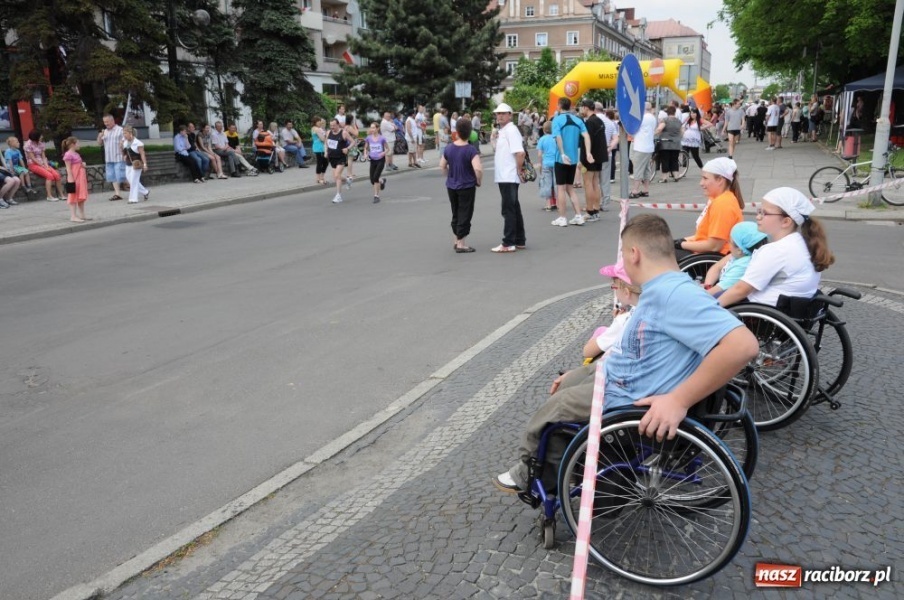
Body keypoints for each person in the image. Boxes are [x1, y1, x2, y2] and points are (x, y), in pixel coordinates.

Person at [493, 214, 760, 492]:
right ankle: (553, 460)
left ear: (634, 254)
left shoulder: (671, 295)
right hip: (627, 376)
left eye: (622, 253)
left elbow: (743, 346)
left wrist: (679, 400)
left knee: (555, 409)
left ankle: (530, 470)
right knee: (568, 383)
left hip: (628, 395)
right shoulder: (668, 287)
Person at [718, 188, 834, 307]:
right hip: (791, 307)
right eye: (759, 211)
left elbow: (741, 290)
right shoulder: (801, 242)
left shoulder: (776, 250)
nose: (758, 217)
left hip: (761, 312)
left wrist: (711, 309)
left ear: (786, 222)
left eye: (765, 213)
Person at [675, 157, 744, 258]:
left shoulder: (723, 204)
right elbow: (704, 236)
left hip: (713, 256)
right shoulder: (719, 199)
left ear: (720, 180)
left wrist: (680, 244)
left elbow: (714, 246)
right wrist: (682, 240)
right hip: (706, 252)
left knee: (658, 255)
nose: (701, 183)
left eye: (705, 178)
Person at [440, 118, 482, 253]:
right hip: (467, 185)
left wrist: (449, 175)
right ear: (470, 133)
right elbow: (478, 169)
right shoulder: (471, 150)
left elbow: (442, 165)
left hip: (452, 185)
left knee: (456, 211)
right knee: (465, 212)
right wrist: (478, 181)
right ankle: (461, 244)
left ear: (456, 132)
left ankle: (455, 240)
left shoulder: (449, 148)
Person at [550, 97, 593, 227]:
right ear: (570, 106)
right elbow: (586, 136)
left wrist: (562, 153)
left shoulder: (557, 120)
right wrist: (588, 152)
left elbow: (558, 137)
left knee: (561, 188)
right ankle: (578, 216)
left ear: (559, 106)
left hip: (561, 159)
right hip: (574, 159)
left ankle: (562, 217)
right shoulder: (578, 120)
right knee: (570, 188)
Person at [489, 103, 526, 253]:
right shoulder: (503, 130)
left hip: (509, 175)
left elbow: (520, 153)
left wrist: (518, 169)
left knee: (508, 209)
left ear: (510, 115)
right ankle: (519, 239)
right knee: (513, 207)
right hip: (505, 175)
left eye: (503, 113)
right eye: (498, 114)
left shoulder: (511, 130)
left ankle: (508, 242)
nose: (500, 116)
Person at [702, 222, 768, 296]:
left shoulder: (742, 266)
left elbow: (716, 291)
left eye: (730, 241)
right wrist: (707, 286)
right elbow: (716, 268)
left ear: (739, 250)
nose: (727, 242)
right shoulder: (741, 254)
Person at [579, 99, 606, 221]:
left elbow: (587, 142)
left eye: (581, 108)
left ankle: (590, 211)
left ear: (585, 108)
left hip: (590, 157)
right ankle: (596, 209)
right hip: (599, 156)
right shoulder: (599, 120)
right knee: (596, 183)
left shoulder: (589, 123)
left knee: (588, 183)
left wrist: (583, 159)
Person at [24, 130, 66, 201]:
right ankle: (49, 196)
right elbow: (33, 158)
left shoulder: (41, 144)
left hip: (43, 163)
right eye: (40, 136)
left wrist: (46, 165)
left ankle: (61, 195)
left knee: (57, 175)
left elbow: (43, 156)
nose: (42, 137)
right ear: (36, 137)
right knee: (49, 176)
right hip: (33, 164)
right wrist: (43, 167)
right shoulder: (28, 145)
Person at [628, 102, 657, 198]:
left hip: (640, 146)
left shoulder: (642, 118)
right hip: (648, 146)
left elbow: (632, 129)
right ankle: (645, 190)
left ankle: (635, 190)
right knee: (646, 169)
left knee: (638, 169)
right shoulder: (652, 118)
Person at [96, 114, 127, 201]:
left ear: (112, 121)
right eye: (104, 122)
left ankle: (138, 189)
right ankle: (117, 194)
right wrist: (99, 136)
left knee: (121, 176)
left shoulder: (120, 130)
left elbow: (126, 141)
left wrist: (124, 152)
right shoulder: (105, 131)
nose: (106, 123)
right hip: (109, 158)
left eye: (107, 122)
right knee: (112, 176)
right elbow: (99, 143)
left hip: (118, 157)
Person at [326, 118, 354, 204]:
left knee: (337, 175)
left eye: (334, 125)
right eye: (331, 125)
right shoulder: (328, 132)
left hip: (341, 157)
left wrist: (347, 148)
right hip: (332, 157)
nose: (332, 127)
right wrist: (326, 151)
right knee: (336, 177)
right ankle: (347, 180)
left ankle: (338, 196)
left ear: (338, 124)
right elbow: (326, 142)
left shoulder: (344, 133)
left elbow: (353, 142)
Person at [61, 137, 89, 222]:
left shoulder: (76, 154)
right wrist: (71, 179)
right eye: (78, 143)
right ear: (73, 144)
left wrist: (82, 164)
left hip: (80, 178)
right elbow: (68, 168)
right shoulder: (68, 154)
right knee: (73, 196)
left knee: (81, 196)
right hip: (75, 178)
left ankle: (82, 215)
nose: (79, 145)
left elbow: (78, 164)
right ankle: (73, 216)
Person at [655, 105, 684, 182]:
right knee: (674, 160)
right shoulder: (679, 121)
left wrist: (654, 133)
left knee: (665, 160)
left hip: (665, 143)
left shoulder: (665, 120)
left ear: (667, 112)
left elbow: (659, 129)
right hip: (676, 144)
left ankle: (665, 178)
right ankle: (676, 176)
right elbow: (682, 132)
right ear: (674, 112)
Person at [121, 126, 150, 204]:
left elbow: (142, 154)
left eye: (125, 133)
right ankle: (145, 192)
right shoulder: (125, 142)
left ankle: (133, 199)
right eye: (123, 133)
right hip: (128, 164)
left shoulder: (138, 143)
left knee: (133, 181)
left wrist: (145, 164)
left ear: (130, 133)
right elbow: (124, 152)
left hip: (136, 164)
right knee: (131, 181)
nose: (124, 135)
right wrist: (124, 154)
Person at [598, 105, 619, 211]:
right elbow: (616, 138)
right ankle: (605, 203)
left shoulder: (591, 120)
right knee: (605, 180)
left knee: (593, 180)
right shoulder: (610, 122)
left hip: (594, 155)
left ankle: (594, 203)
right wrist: (609, 148)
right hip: (607, 154)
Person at [363, 122, 389, 204]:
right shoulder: (368, 138)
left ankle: (376, 196)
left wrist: (383, 153)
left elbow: (388, 149)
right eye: (371, 128)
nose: (372, 129)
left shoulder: (382, 138)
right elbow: (366, 148)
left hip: (380, 160)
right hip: (372, 160)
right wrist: (365, 154)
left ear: (377, 128)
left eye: (374, 128)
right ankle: (381, 181)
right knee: (372, 180)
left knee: (375, 178)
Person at [536, 121, 557, 212]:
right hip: (556, 163)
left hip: (546, 163)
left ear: (544, 130)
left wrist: (540, 164)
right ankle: (557, 203)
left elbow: (540, 154)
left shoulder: (542, 139)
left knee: (546, 184)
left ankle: (548, 204)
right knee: (556, 184)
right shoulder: (556, 138)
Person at [681, 108, 708, 174]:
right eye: (691, 113)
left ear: (697, 114)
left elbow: (709, 124)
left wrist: (701, 128)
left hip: (694, 140)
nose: (692, 114)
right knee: (684, 154)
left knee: (695, 156)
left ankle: (702, 169)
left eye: (694, 113)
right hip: (686, 139)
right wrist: (683, 132)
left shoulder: (699, 120)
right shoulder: (688, 119)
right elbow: (683, 126)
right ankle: (683, 171)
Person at [311, 116, 329, 185]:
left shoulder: (316, 128)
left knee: (325, 162)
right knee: (321, 163)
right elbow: (323, 139)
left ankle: (321, 177)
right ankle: (319, 178)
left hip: (320, 147)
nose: (320, 123)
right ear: (315, 122)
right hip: (319, 148)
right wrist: (326, 136)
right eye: (319, 121)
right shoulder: (316, 129)